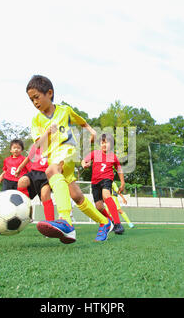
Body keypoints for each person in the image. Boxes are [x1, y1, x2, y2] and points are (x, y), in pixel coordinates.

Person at [26, 74, 112, 244]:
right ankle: (104, 222)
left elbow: (82, 122)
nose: (35, 102)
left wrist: (92, 131)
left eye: (36, 97)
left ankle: (66, 221)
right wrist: (47, 132)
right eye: (31, 100)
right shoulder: (36, 120)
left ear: (49, 93)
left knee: (51, 171)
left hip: (69, 151)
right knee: (76, 195)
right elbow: (38, 144)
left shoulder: (65, 110)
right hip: (53, 156)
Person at [81, 133, 126, 234]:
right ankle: (111, 222)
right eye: (102, 143)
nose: (104, 145)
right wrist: (85, 164)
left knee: (106, 196)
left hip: (106, 179)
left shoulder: (113, 157)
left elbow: (119, 169)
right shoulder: (94, 153)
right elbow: (84, 160)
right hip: (95, 182)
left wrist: (122, 182)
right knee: (99, 207)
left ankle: (118, 224)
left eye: (107, 143)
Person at [14, 143, 55, 222]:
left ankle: (51, 223)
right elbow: (29, 157)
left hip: (46, 175)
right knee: (22, 181)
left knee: (45, 195)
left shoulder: (56, 145)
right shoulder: (38, 144)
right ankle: (26, 213)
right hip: (34, 173)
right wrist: (19, 168)